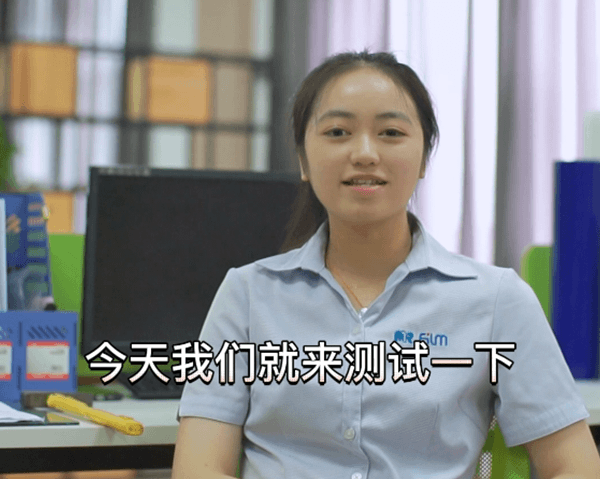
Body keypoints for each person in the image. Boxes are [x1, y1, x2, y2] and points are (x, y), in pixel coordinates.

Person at [172, 50, 600, 479]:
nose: (364, 153)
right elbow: (198, 467)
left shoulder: (496, 300)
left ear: (424, 158)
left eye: (391, 132)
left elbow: (575, 466)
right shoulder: (248, 296)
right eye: (338, 132)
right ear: (303, 159)